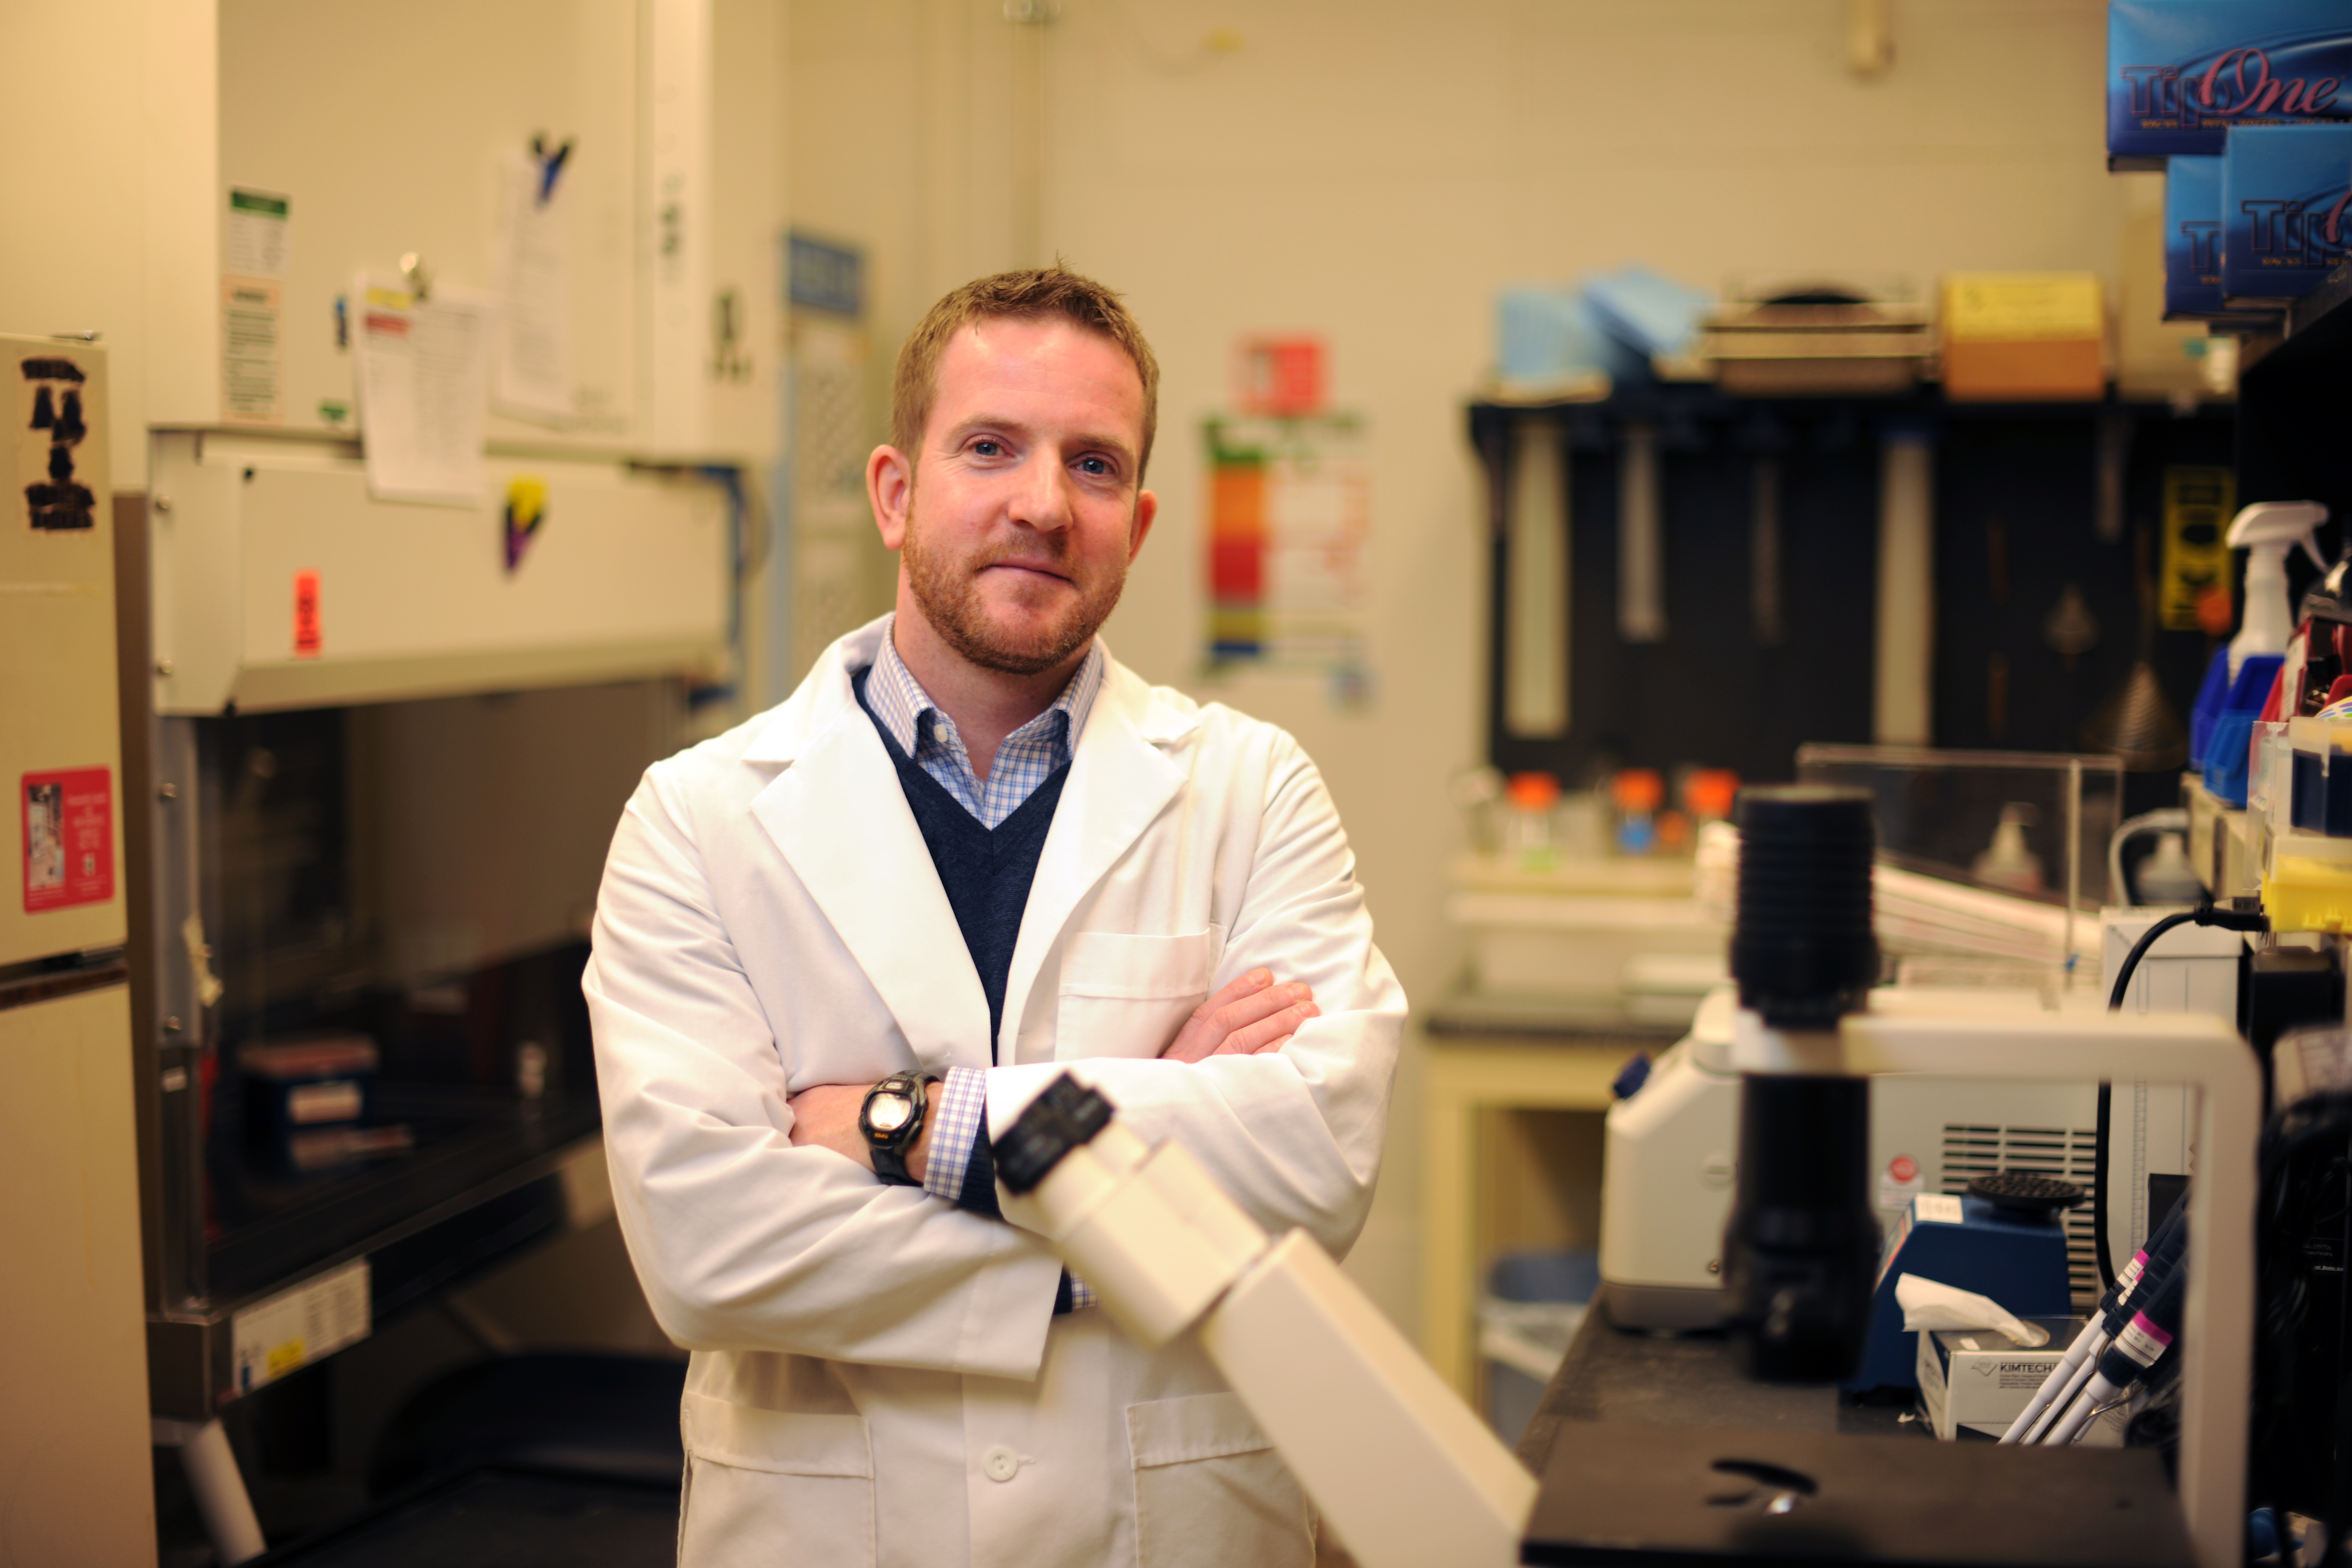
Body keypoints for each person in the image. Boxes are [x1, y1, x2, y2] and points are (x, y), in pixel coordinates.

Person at [585, 264, 1405, 1568]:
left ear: (1136, 526)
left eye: (1092, 465)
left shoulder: (1251, 791)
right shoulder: (698, 820)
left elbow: (1314, 1166)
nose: (1041, 503)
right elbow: (708, 1249)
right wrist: (1129, 1207)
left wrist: (903, 1126)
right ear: (896, 493)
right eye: (989, 448)